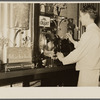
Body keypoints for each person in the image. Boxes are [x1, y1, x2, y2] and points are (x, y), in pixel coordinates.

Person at [57, 5, 100, 87]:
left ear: (87, 16)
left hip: (87, 73)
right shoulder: (97, 31)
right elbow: (87, 48)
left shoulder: (88, 34)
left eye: (81, 16)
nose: (79, 19)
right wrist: (73, 41)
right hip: (95, 71)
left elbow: (78, 53)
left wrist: (62, 59)